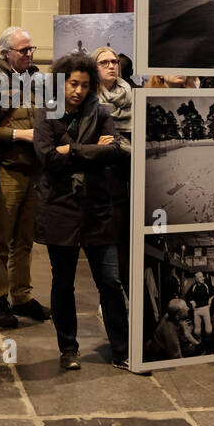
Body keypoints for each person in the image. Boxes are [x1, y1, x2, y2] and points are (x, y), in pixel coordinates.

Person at [33, 52, 129, 370]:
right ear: (62, 83)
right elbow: (47, 157)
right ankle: (68, 349)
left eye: (85, 85)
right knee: (63, 284)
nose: (79, 91)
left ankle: (121, 349)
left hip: (98, 208)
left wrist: (72, 149)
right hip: (60, 208)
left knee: (111, 283)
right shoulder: (47, 113)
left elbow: (114, 150)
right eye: (74, 84)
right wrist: (93, 150)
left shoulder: (99, 111)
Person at [0, 27, 51, 329]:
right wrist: (17, 134)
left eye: (31, 49)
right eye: (24, 50)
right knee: (0, 241)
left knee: (25, 240)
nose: (30, 54)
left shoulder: (39, 81)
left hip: (33, 171)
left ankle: (21, 296)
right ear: (5, 52)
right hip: (7, 170)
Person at [94, 46, 133, 311]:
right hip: (101, 176)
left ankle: (125, 296)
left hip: (128, 170)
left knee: (125, 239)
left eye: (115, 61)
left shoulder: (131, 94)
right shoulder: (89, 99)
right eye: (105, 62)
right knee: (107, 241)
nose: (111, 65)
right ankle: (109, 295)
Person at [185, 270, 214, 341]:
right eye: (200, 277)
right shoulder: (193, 287)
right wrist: (192, 302)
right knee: (197, 331)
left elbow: (213, 292)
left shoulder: (206, 285)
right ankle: (198, 342)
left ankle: (208, 342)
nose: (203, 278)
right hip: (197, 311)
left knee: (208, 330)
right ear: (196, 279)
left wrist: (210, 300)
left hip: (205, 309)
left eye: (203, 276)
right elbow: (188, 296)